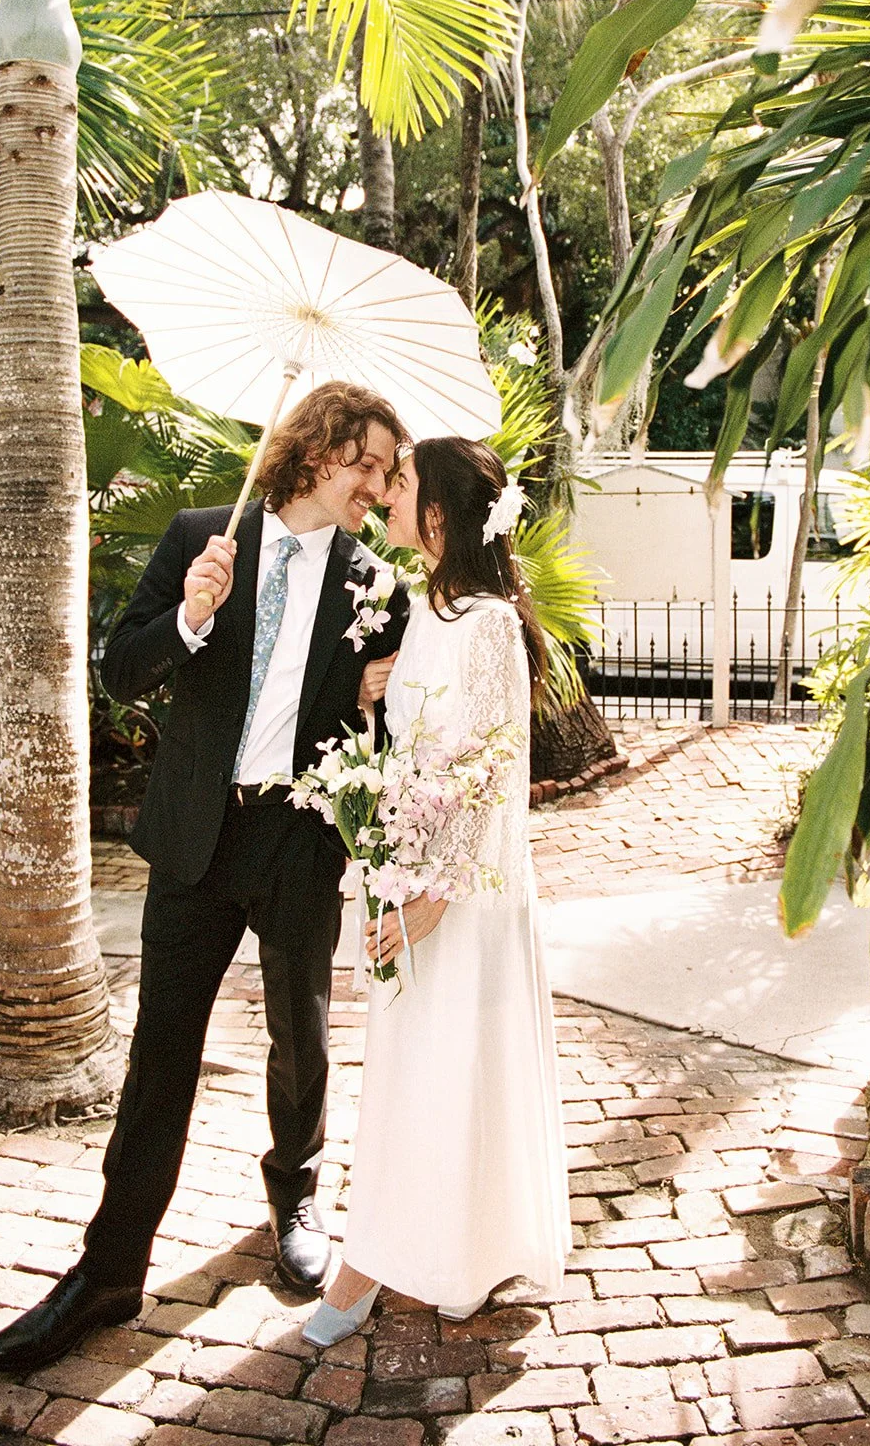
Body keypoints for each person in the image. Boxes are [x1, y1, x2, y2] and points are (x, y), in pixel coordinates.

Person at [0, 382, 411, 1373]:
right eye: (367, 465)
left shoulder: (374, 584)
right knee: (160, 1053)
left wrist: (380, 695)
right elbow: (120, 669)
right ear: (316, 452)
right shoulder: (199, 537)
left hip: (299, 842)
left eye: (389, 473)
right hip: (194, 839)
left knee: (301, 1036)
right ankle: (109, 1270)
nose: (379, 487)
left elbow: (391, 733)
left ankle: (294, 1195)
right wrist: (187, 615)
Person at [302, 437, 570, 1348]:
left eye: (403, 483)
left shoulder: (487, 622)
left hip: (462, 895)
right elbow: (425, 745)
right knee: (415, 1071)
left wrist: (434, 899)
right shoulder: (428, 609)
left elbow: (490, 769)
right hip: (411, 874)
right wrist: (376, 693)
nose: (386, 493)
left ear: (441, 514)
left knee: (446, 1068)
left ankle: (381, 1262)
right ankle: (419, 1248)